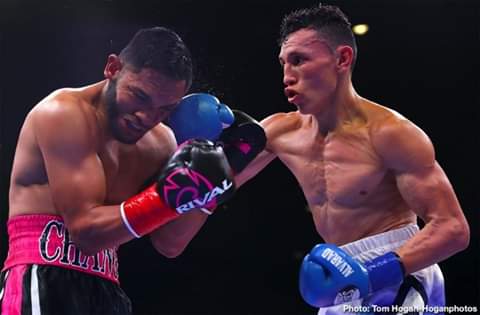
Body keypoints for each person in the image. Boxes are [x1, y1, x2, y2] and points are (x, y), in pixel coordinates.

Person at [0, 26, 264, 314]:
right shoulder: (64, 113)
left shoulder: (161, 142)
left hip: (108, 289)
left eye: (165, 109)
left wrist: (213, 184)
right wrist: (166, 197)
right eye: (140, 96)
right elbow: (86, 233)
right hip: (43, 277)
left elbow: (170, 243)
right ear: (113, 67)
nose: (147, 117)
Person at [235, 4, 470, 314]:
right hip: (336, 269)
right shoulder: (278, 131)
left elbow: (453, 228)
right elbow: (211, 183)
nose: (286, 76)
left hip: (400, 264)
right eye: (283, 63)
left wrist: (375, 273)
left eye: (299, 60)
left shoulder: (390, 133)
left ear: (342, 59)